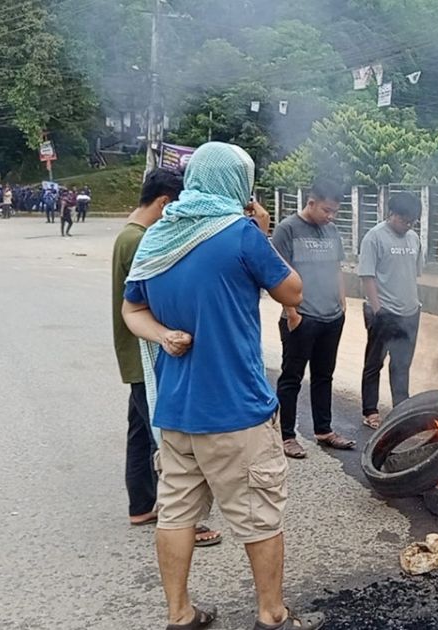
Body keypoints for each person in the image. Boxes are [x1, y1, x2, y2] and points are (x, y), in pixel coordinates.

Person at [122, 142, 322, 630]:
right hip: (235, 411)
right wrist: (263, 230)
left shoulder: (157, 238)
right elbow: (293, 291)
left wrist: (164, 335)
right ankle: (272, 615)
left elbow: (132, 311)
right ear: (239, 185)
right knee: (259, 516)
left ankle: (180, 614)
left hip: (173, 412)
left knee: (175, 515)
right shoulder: (239, 234)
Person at [111, 168, 223, 549]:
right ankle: (184, 520)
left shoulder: (129, 234)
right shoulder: (142, 240)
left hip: (134, 353)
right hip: (148, 353)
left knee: (141, 432)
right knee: (167, 440)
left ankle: (142, 505)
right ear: (164, 202)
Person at [272, 180, 354, 458]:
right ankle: (286, 436)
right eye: (326, 210)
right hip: (302, 316)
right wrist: (291, 313)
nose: (330, 217)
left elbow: (337, 268)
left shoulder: (331, 231)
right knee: (292, 377)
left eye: (334, 212)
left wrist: (342, 304)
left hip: (331, 316)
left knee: (324, 376)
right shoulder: (287, 229)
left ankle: (324, 430)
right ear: (311, 203)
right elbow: (277, 274)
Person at [358, 192, 423, 430]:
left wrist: (413, 306)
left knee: (402, 363)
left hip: (410, 312)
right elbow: (367, 275)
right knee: (375, 362)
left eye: (412, 221)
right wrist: (378, 310)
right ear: (392, 214)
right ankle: (370, 411)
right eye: (405, 220)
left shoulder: (414, 238)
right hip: (383, 312)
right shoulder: (374, 238)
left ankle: (401, 409)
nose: (408, 225)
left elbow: (415, 273)